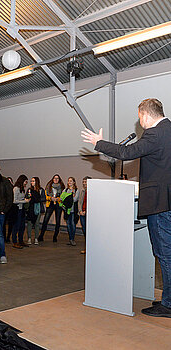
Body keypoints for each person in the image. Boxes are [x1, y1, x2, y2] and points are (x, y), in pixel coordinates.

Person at [81, 98, 171, 318]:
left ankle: (168, 304)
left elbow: (127, 153)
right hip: (167, 199)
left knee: (165, 253)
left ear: (145, 115)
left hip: (159, 203)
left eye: (139, 117)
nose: (140, 122)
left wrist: (99, 143)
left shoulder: (155, 133)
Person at [38, 174, 65, 242]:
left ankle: (55, 237)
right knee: (45, 220)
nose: (56, 179)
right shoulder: (49, 186)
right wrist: (51, 198)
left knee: (58, 221)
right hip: (50, 204)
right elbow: (45, 196)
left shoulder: (62, 187)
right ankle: (41, 236)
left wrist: (58, 199)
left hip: (58, 205)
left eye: (57, 178)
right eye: (55, 178)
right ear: (52, 179)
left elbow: (63, 197)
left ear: (59, 180)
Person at [12, 175, 30, 249]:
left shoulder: (22, 189)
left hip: (22, 210)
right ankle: (15, 242)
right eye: (25, 181)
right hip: (17, 210)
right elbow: (14, 201)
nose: (26, 183)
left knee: (22, 226)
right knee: (16, 226)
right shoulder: (16, 188)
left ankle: (21, 241)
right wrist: (24, 201)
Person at [26, 177, 46, 245]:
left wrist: (37, 199)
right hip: (30, 208)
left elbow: (44, 198)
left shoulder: (41, 190)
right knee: (29, 223)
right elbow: (26, 197)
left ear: (36, 182)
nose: (32, 182)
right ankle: (29, 238)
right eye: (31, 181)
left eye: (33, 181)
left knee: (37, 223)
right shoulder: (29, 190)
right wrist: (29, 198)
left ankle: (36, 238)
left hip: (38, 208)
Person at [60, 177, 79, 246]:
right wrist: (70, 197)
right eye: (68, 181)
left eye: (71, 181)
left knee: (73, 225)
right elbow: (61, 198)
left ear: (74, 182)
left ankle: (72, 239)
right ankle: (70, 239)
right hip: (66, 210)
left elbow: (75, 199)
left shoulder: (76, 190)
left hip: (73, 210)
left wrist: (67, 197)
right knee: (68, 225)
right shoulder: (65, 190)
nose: (69, 182)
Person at [78, 176, 91, 254]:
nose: (84, 183)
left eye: (85, 182)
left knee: (89, 232)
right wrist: (80, 211)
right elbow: (80, 202)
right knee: (85, 231)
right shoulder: (83, 191)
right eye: (83, 182)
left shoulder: (92, 192)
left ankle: (89, 249)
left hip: (88, 213)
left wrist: (86, 211)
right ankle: (86, 249)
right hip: (82, 213)